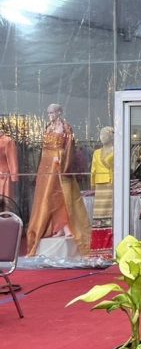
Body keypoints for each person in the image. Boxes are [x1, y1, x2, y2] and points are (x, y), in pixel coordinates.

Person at [26, 104, 91, 256]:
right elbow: (44, 149)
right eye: (49, 112)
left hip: (58, 161)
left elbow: (69, 147)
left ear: (59, 112)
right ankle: (58, 226)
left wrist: (64, 164)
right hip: (47, 163)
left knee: (62, 195)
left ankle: (66, 226)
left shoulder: (66, 128)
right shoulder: (48, 127)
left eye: (53, 112)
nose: (50, 115)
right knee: (49, 196)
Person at [90, 127, 114, 229]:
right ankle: (99, 222)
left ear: (111, 136)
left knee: (110, 204)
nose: (102, 137)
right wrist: (92, 183)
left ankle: (109, 221)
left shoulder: (117, 150)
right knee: (99, 205)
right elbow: (93, 169)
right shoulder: (96, 152)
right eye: (101, 135)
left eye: (105, 135)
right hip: (99, 182)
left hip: (111, 181)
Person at [0, 124, 17, 201]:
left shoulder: (7, 141)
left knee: (5, 201)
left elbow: (12, 159)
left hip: (3, 176)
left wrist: (14, 176)